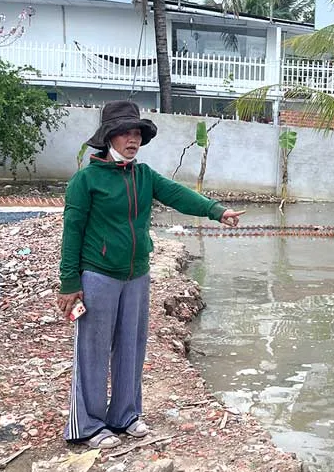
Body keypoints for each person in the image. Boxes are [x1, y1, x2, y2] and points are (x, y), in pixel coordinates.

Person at [56, 100, 244, 449]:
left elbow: (178, 195)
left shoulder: (143, 176)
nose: (133, 140)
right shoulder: (86, 181)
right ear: (109, 137)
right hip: (98, 275)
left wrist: (217, 211)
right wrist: (69, 283)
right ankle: (88, 424)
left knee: (132, 346)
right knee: (93, 350)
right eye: (125, 133)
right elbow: (72, 233)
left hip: (137, 275)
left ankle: (125, 415)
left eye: (137, 133)